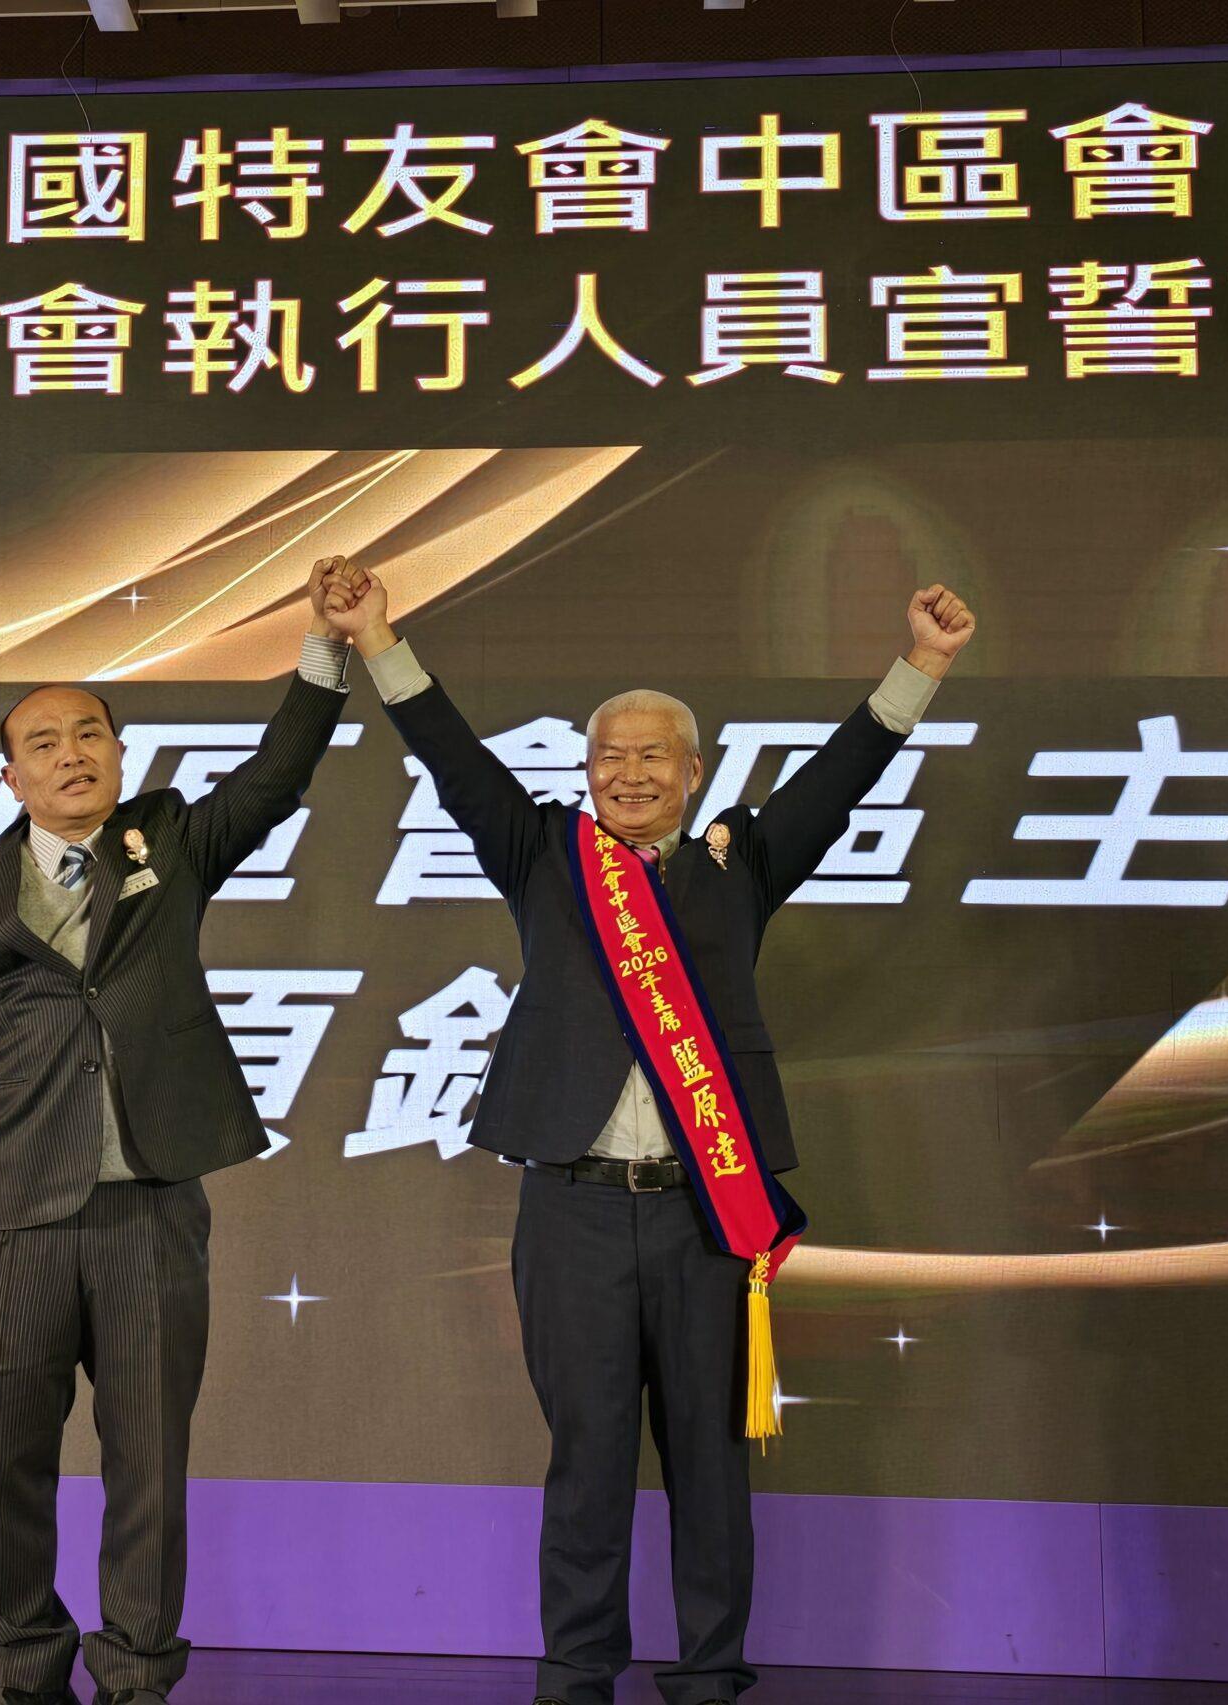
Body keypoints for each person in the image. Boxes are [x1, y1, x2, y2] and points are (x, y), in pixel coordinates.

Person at [321, 565, 976, 1705]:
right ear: (585, 772)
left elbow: (841, 777)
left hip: (703, 1213)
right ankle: (576, 1674)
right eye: (608, 756)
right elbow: (452, 755)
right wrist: (377, 635)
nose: (628, 773)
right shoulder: (543, 853)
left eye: (652, 756)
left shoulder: (741, 862)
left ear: (694, 772)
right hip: (570, 1208)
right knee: (586, 1455)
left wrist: (921, 662)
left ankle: (710, 1673)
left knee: (710, 1462)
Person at [0, 557, 361, 1705]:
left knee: (150, 1458)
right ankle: (20, 1668)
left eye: (89, 733)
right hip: (14, 1214)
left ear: (120, 754)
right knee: (10, 1464)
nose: (71, 754)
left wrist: (327, 648)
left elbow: (277, 775)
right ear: (10, 775)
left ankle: (138, 1670)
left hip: (149, 1203)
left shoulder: (167, 843)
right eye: (43, 742)